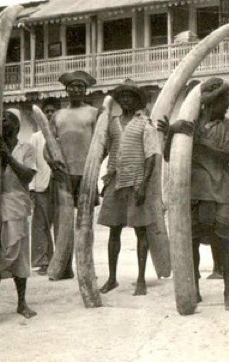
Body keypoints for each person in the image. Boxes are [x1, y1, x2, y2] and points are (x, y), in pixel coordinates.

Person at [161, 78, 229, 310]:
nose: (227, 105)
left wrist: (202, 142)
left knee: (222, 241)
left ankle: (228, 291)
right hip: (193, 192)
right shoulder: (186, 124)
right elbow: (169, 156)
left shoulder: (227, 126)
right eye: (223, 101)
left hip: (220, 191)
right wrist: (172, 132)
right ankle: (194, 289)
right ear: (209, 103)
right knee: (192, 243)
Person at [96, 82, 159, 296]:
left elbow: (151, 156)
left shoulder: (144, 123)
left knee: (141, 230)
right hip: (115, 181)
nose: (125, 100)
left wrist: (143, 185)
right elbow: (103, 150)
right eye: (122, 97)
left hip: (137, 181)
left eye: (130, 97)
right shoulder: (112, 123)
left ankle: (141, 279)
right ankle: (112, 278)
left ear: (137, 101)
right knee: (114, 230)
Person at [49, 71, 99, 280]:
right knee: (63, 223)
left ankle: (87, 267)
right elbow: (49, 144)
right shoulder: (58, 115)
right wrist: (51, 162)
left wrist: (95, 164)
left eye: (80, 86)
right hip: (63, 175)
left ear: (85, 90)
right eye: (72, 86)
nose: (76, 90)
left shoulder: (94, 113)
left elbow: (102, 143)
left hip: (85, 173)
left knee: (85, 223)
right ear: (66, 90)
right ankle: (64, 267)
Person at [0, 110, 38, 318]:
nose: (2, 122)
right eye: (0, 119)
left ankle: (21, 303)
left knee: (19, 255)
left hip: (17, 204)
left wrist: (7, 156)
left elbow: (27, 176)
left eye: (6, 119)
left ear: (17, 127)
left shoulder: (26, 148)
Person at [26, 106, 54, 275]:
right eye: (47, 111)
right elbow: (32, 162)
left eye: (52, 111)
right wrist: (32, 188)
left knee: (56, 224)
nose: (49, 114)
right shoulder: (36, 138)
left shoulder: (59, 135)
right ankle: (42, 261)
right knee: (40, 224)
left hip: (57, 185)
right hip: (41, 185)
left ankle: (56, 259)